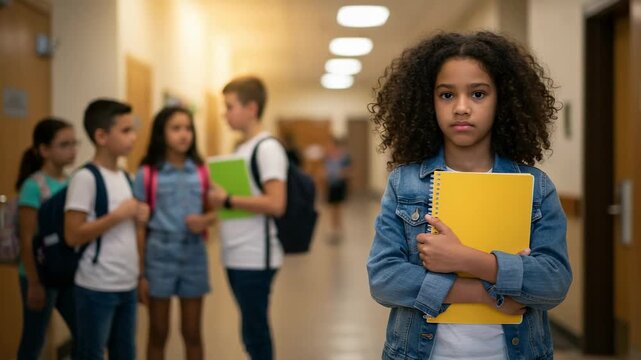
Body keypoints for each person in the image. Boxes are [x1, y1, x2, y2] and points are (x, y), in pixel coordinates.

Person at [366, 32, 572, 360]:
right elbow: (384, 280)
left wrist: (467, 259)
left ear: (502, 100)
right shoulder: (403, 185)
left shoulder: (536, 187)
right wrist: (482, 293)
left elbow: (553, 283)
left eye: (478, 94)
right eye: (447, 95)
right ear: (427, 102)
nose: (461, 108)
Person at [209, 76, 287, 360]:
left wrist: (227, 199)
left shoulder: (267, 148)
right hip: (236, 253)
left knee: (255, 332)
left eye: (229, 107)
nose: (224, 114)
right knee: (250, 331)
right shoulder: (241, 148)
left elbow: (276, 203)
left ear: (251, 108)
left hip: (256, 256)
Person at [64, 99, 149, 359]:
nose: (133, 137)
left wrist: (141, 275)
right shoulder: (85, 178)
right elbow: (73, 234)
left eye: (132, 129)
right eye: (125, 130)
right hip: (96, 287)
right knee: (91, 352)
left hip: (126, 283)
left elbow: (133, 233)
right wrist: (117, 215)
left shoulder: (126, 177)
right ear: (101, 136)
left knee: (125, 353)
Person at [134, 106, 215, 360]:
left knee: (192, 333)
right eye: (176, 128)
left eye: (188, 128)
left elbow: (220, 211)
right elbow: (138, 226)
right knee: (158, 333)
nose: (184, 134)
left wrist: (205, 220)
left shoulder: (202, 170)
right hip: (159, 255)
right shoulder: (147, 173)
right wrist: (141, 274)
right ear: (162, 133)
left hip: (194, 254)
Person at [15, 118, 78, 360]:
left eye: (74, 143)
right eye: (64, 144)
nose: (72, 150)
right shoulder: (33, 186)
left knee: (83, 330)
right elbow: (27, 236)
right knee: (35, 338)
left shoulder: (73, 181)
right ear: (44, 150)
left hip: (64, 270)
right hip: (38, 274)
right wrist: (34, 283)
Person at [323, 136, 351, 240]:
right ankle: (333, 228)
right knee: (331, 208)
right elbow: (325, 169)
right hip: (331, 184)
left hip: (339, 184)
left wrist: (340, 173)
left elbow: (349, 170)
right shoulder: (328, 156)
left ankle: (339, 228)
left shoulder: (344, 157)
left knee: (338, 207)